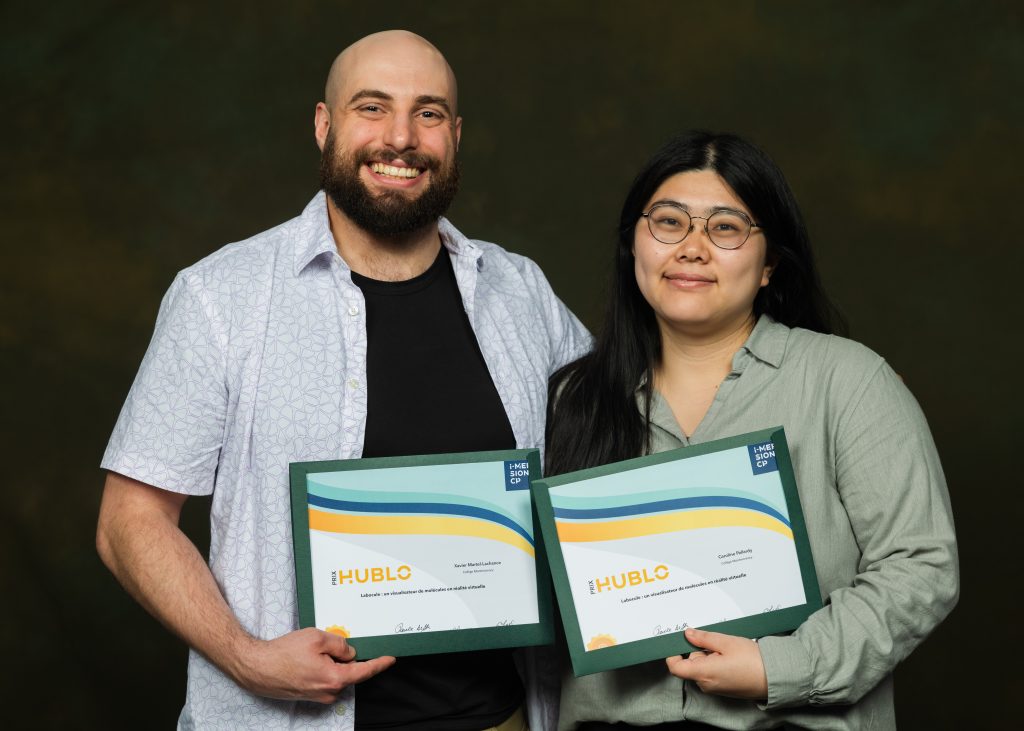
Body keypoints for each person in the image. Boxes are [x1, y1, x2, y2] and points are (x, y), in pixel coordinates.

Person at [96, 30, 589, 730]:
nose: (401, 138)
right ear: (324, 125)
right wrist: (245, 656)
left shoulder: (520, 291)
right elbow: (129, 520)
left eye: (427, 113)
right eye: (372, 107)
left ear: (455, 136)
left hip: (502, 717)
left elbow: (611, 456)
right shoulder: (222, 297)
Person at [545, 131, 957, 730]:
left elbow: (921, 564)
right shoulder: (573, 397)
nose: (692, 249)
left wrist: (783, 666)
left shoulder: (847, 381)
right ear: (633, 244)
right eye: (669, 222)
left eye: (726, 228)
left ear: (768, 265)